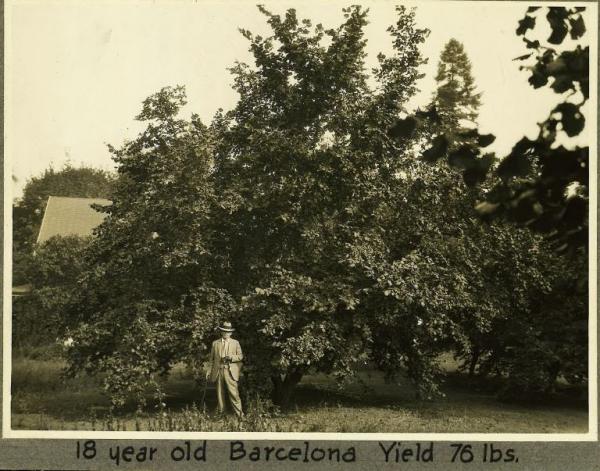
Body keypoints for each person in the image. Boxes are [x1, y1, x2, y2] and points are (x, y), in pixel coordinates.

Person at [208, 321, 244, 418]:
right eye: (224, 331)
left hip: (230, 371)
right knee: (220, 394)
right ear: (221, 332)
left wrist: (231, 357)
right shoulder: (215, 343)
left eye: (228, 332)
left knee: (234, 393)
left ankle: (240, 415)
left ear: (231, 333)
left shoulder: (235, 343)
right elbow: (211, 359)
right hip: (218, 371)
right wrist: (209, 371)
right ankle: (221, 415)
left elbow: (240, 356)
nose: (226, 333)